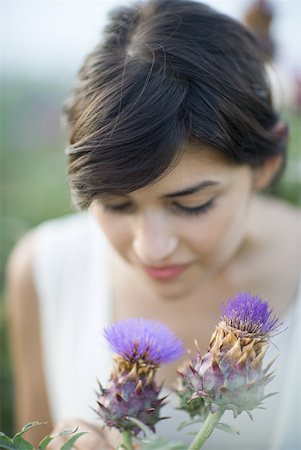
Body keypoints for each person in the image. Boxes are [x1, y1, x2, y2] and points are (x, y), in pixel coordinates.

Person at [6, 0, 301, 448]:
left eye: (192, 204)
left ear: (265, 166)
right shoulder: (45, 269)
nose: (151, 248)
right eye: (116, 205)